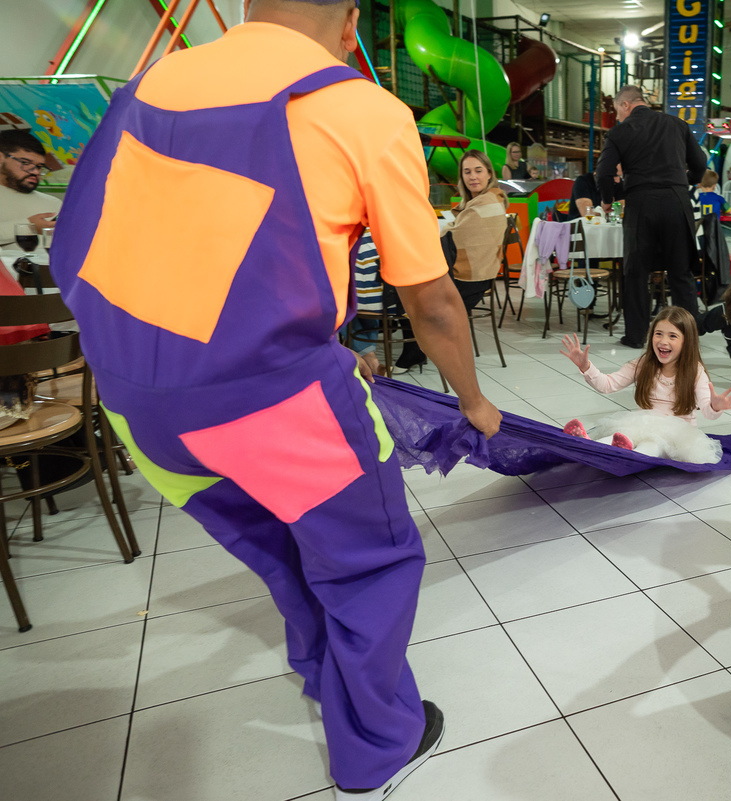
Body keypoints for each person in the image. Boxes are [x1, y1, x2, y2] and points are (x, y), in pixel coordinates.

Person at [49, 4, 503, 801]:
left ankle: (320, 674)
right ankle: (377, 743)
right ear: (348, 20)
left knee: (282, 548)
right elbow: (430, 300)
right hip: (272, 403)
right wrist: (474, 402)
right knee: (371, 559)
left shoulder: (151, 84)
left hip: (132, 401)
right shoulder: (362, 109)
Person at [596, 85, 707, 348]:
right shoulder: (676, 124)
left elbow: (603, 173)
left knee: (636, 273)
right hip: (676, 202)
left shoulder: (620, 132)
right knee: (681, 273)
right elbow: (700, 163)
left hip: (640, 203)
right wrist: (683, 182)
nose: (618, 117)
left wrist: (608, 199)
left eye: (616, 111)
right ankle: (688, 336)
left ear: (625, 105)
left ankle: (636, 336)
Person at [558, 307, 731, 462]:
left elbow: (708, 411)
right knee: (623, 435)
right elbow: (608, 384)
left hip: (678, 434)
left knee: (652, 445)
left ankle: (628, 457)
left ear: (687, 341)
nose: (663, 341)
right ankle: (589, 445)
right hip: (643, 424)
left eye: (672, 336)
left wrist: (715, 406)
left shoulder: (695, 371)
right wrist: (586, 367)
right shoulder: (645, 363)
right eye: (658, 334)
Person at [394, 149, 509, 372]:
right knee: (406, 283)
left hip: (471, 279)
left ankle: (414, 351)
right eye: (467, 172)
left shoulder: (488, 203)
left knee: (408, 288)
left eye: (478, 170)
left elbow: (454, 235)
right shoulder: (477, 202)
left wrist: (447, 229)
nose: (472, 176)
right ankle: (416, 348)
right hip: (468, 274)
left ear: (489, 174)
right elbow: (454, 231)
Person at [0, 129, 60, 248]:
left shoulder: (54, 203)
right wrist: (29, 226)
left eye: (39, 166)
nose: (35, 172)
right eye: (25, 162)